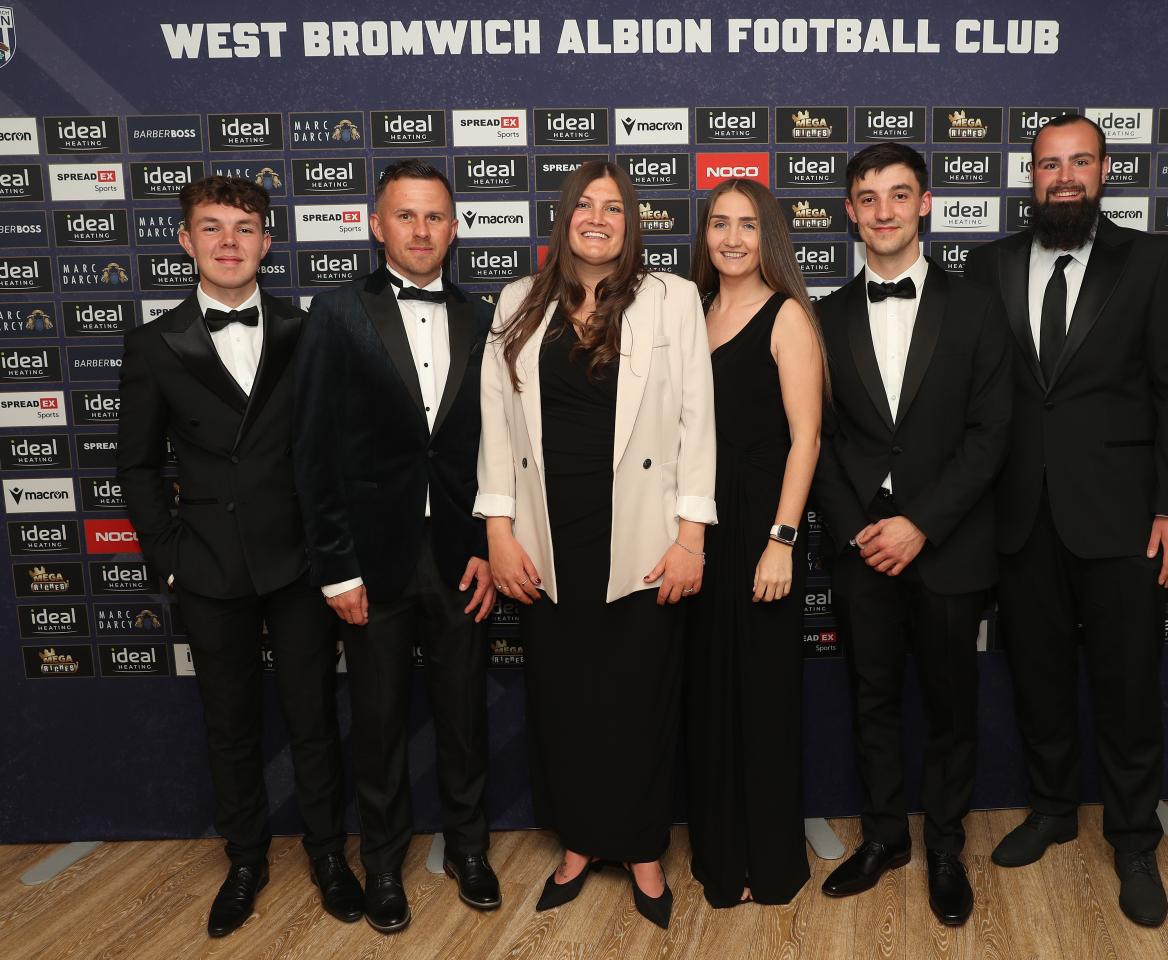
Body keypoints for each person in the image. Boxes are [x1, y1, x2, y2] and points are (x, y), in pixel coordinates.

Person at [965, 115, 1168, 927]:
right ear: (1028, 176)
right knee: (1035, 674)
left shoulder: (1151, 259)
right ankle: (1052, 808)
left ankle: (1134, 838)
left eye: (1078, 163)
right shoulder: (990, 262)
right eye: (1047, 165)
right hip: (1019, 514)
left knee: (1128, 684)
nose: (1062, 178)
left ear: (1105, 170)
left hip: (1123, 517)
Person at [473, 160, 716, 929]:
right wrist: (499, 532)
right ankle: (579, 844)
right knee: (566, 699)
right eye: (586, 205)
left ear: (631, 220)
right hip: (547, 538)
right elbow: (496, 428)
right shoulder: (519, 300)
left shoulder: (672, 296)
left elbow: (697, 423)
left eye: (614, 207)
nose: (599, 218)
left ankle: (643, 850)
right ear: (565, 216)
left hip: (644, 536)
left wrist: (691, 538)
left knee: (640, 700)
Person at [117, 176, 359, 937]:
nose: (229, 242)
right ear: (186, 243)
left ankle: (327, 855)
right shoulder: (153, 346)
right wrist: (169, 558)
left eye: (244, 228)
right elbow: (136, 465)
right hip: (209, 567)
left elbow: (336, 451)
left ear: (267, 239)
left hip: (297, 563)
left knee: (314, 717)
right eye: (212, 228)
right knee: (229, 724)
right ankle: (246, 858)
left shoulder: (307, 331)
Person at [292, 160, 499, 933]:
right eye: (405, 217)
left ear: (455, 227)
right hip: (369, 562)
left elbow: (494, 448)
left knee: (464, 714)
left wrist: (486, 542)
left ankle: (469, 850)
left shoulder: (484, 317)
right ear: (376, 226)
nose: (421, 231)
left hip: (460, 555)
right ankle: (382, 866)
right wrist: (335, 565)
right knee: (376, 722)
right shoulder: (337, 313)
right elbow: (311, 450)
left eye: (435, 217)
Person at [811, 143, 1012, 925]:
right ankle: (886, 836)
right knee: (872, 700)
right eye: (868, 197)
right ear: (852, 212)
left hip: (951, 546)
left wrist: (921, 524)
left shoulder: (977, 307)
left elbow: (993, 432)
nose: (884, 210)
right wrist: (864, 530)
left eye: (899, 195)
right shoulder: (823, 316)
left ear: (925, 204)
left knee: (953, 707)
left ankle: (944, 847)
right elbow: (815, 440)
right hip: (862, 551)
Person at [684, 178, 826, 908]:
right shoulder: (693, 310)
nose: (731, 237)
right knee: (711, 695)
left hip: (760, 524)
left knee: (761, 699)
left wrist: (782, 540)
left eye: (746, 224)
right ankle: (720, 854)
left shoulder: (788, 316)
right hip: (700, 527)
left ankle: (766, 862)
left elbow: (806, 438)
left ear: (767, 235)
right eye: (718, 223)